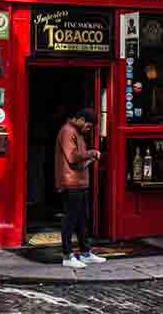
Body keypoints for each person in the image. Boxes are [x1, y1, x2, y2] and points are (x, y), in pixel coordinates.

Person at [55, 108, 106, 269]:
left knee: (82, 220)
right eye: (89, 126)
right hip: (71, 183)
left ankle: (85, 252)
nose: (88, 130)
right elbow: (72, 156)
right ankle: (67, 255)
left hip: (80, 182)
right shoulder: (67, 131)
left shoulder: (77, 133)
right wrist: (91, 153)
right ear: (81, 120)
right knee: (70, 220)